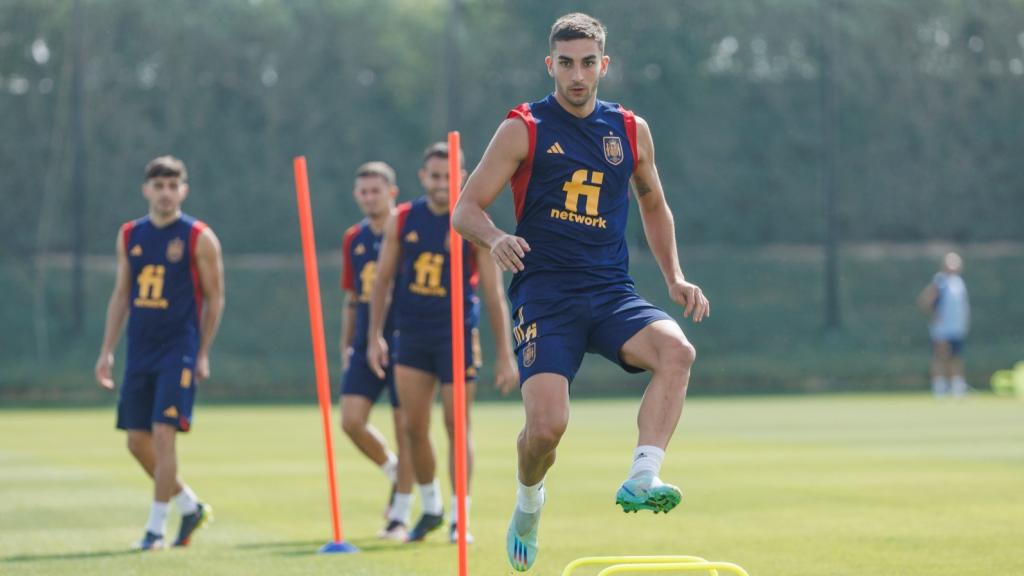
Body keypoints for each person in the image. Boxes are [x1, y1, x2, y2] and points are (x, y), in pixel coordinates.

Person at [452, 13, 710, 571]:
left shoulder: (630, 130)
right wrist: (496, 237)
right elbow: (466, 209)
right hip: (545, 295)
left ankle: (644, 474)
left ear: (604, 65)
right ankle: (528, 501)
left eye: (587, 63)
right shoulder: (524, 127)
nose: (577, 74)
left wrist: (674, 277)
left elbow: (654, 204)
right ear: (550, 65)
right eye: (566, 63)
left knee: (678, 351)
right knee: (546, 429)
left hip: (611, 291)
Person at [368, 142, 518, 544]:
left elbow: (492, 294)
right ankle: (430, 504)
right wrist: (374, 337)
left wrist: (506, 354)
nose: (441, 184)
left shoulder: (471, 222)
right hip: (411, 334)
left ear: (462, 176)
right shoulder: (404, 219)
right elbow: (382, 280)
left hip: (455, 336)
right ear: (422, 178)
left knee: (457, 425)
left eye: (448, 176)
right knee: (413, 427)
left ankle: (460, 516)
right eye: (434, 176)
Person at [94, 156, 225, 551]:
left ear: (183, 190)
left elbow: (215, 298)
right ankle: (189, 505)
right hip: (141, 348)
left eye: (173, 186)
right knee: (137, 441)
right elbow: (122, 294)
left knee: (165, 435)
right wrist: (107, 351)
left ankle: (154, 529)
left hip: (178, 349)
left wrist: (202, 351)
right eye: (159, 186)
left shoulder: (199, 237)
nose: (166, 193)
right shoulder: (130, 234)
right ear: (146, 190)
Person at [339, 161, 415, 541]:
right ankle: (396, 471)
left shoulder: (407, 230)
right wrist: (347, 344)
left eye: (376, 190)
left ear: (392, 191)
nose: (370, 197)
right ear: (357, 195)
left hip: (406, 337)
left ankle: (399, 515)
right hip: (367, 339)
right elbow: (353, 299)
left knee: (406, 426)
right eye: (364, 191)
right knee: (351, 420)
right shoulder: (354, 238)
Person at [917, 252, 970, 398]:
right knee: (940, 357)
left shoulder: (959, 282)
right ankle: (939, 387)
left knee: (956, 357)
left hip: (957, 327)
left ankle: (958, 387)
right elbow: (925, 300)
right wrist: (936, 316)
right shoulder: (940, 281)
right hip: (942, 328)